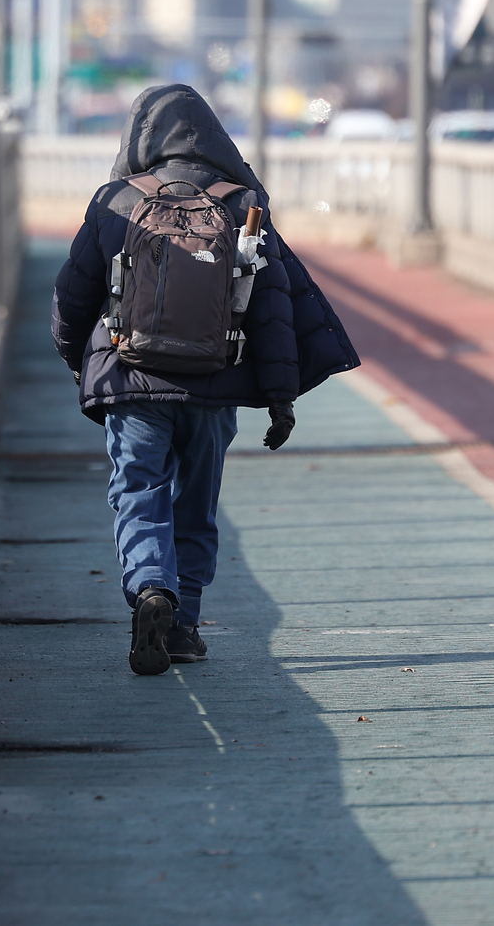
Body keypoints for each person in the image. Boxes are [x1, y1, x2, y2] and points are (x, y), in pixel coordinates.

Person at [51, 85, 360, 675]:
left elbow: (73, 295)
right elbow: (273, 311)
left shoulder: (116, 200)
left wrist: (76, 360)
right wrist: (279, 400)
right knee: (196, 505)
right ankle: (185, 624)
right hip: (215, 384)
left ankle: (150, 590)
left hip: (132, 379)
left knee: (137, 493)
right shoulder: (242, 202)